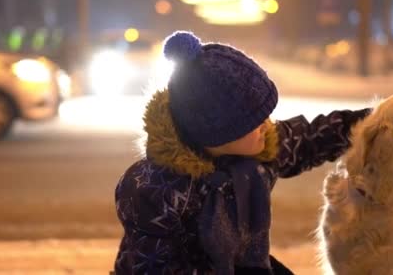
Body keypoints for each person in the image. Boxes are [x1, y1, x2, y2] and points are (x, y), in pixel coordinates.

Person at [113, 31, 370, 274]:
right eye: (253, 120)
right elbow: (154, 267)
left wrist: (373, 122)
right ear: (217, 132)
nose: (266, 124)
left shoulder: (258, 151)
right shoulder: (157, 187)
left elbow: (314, 138)